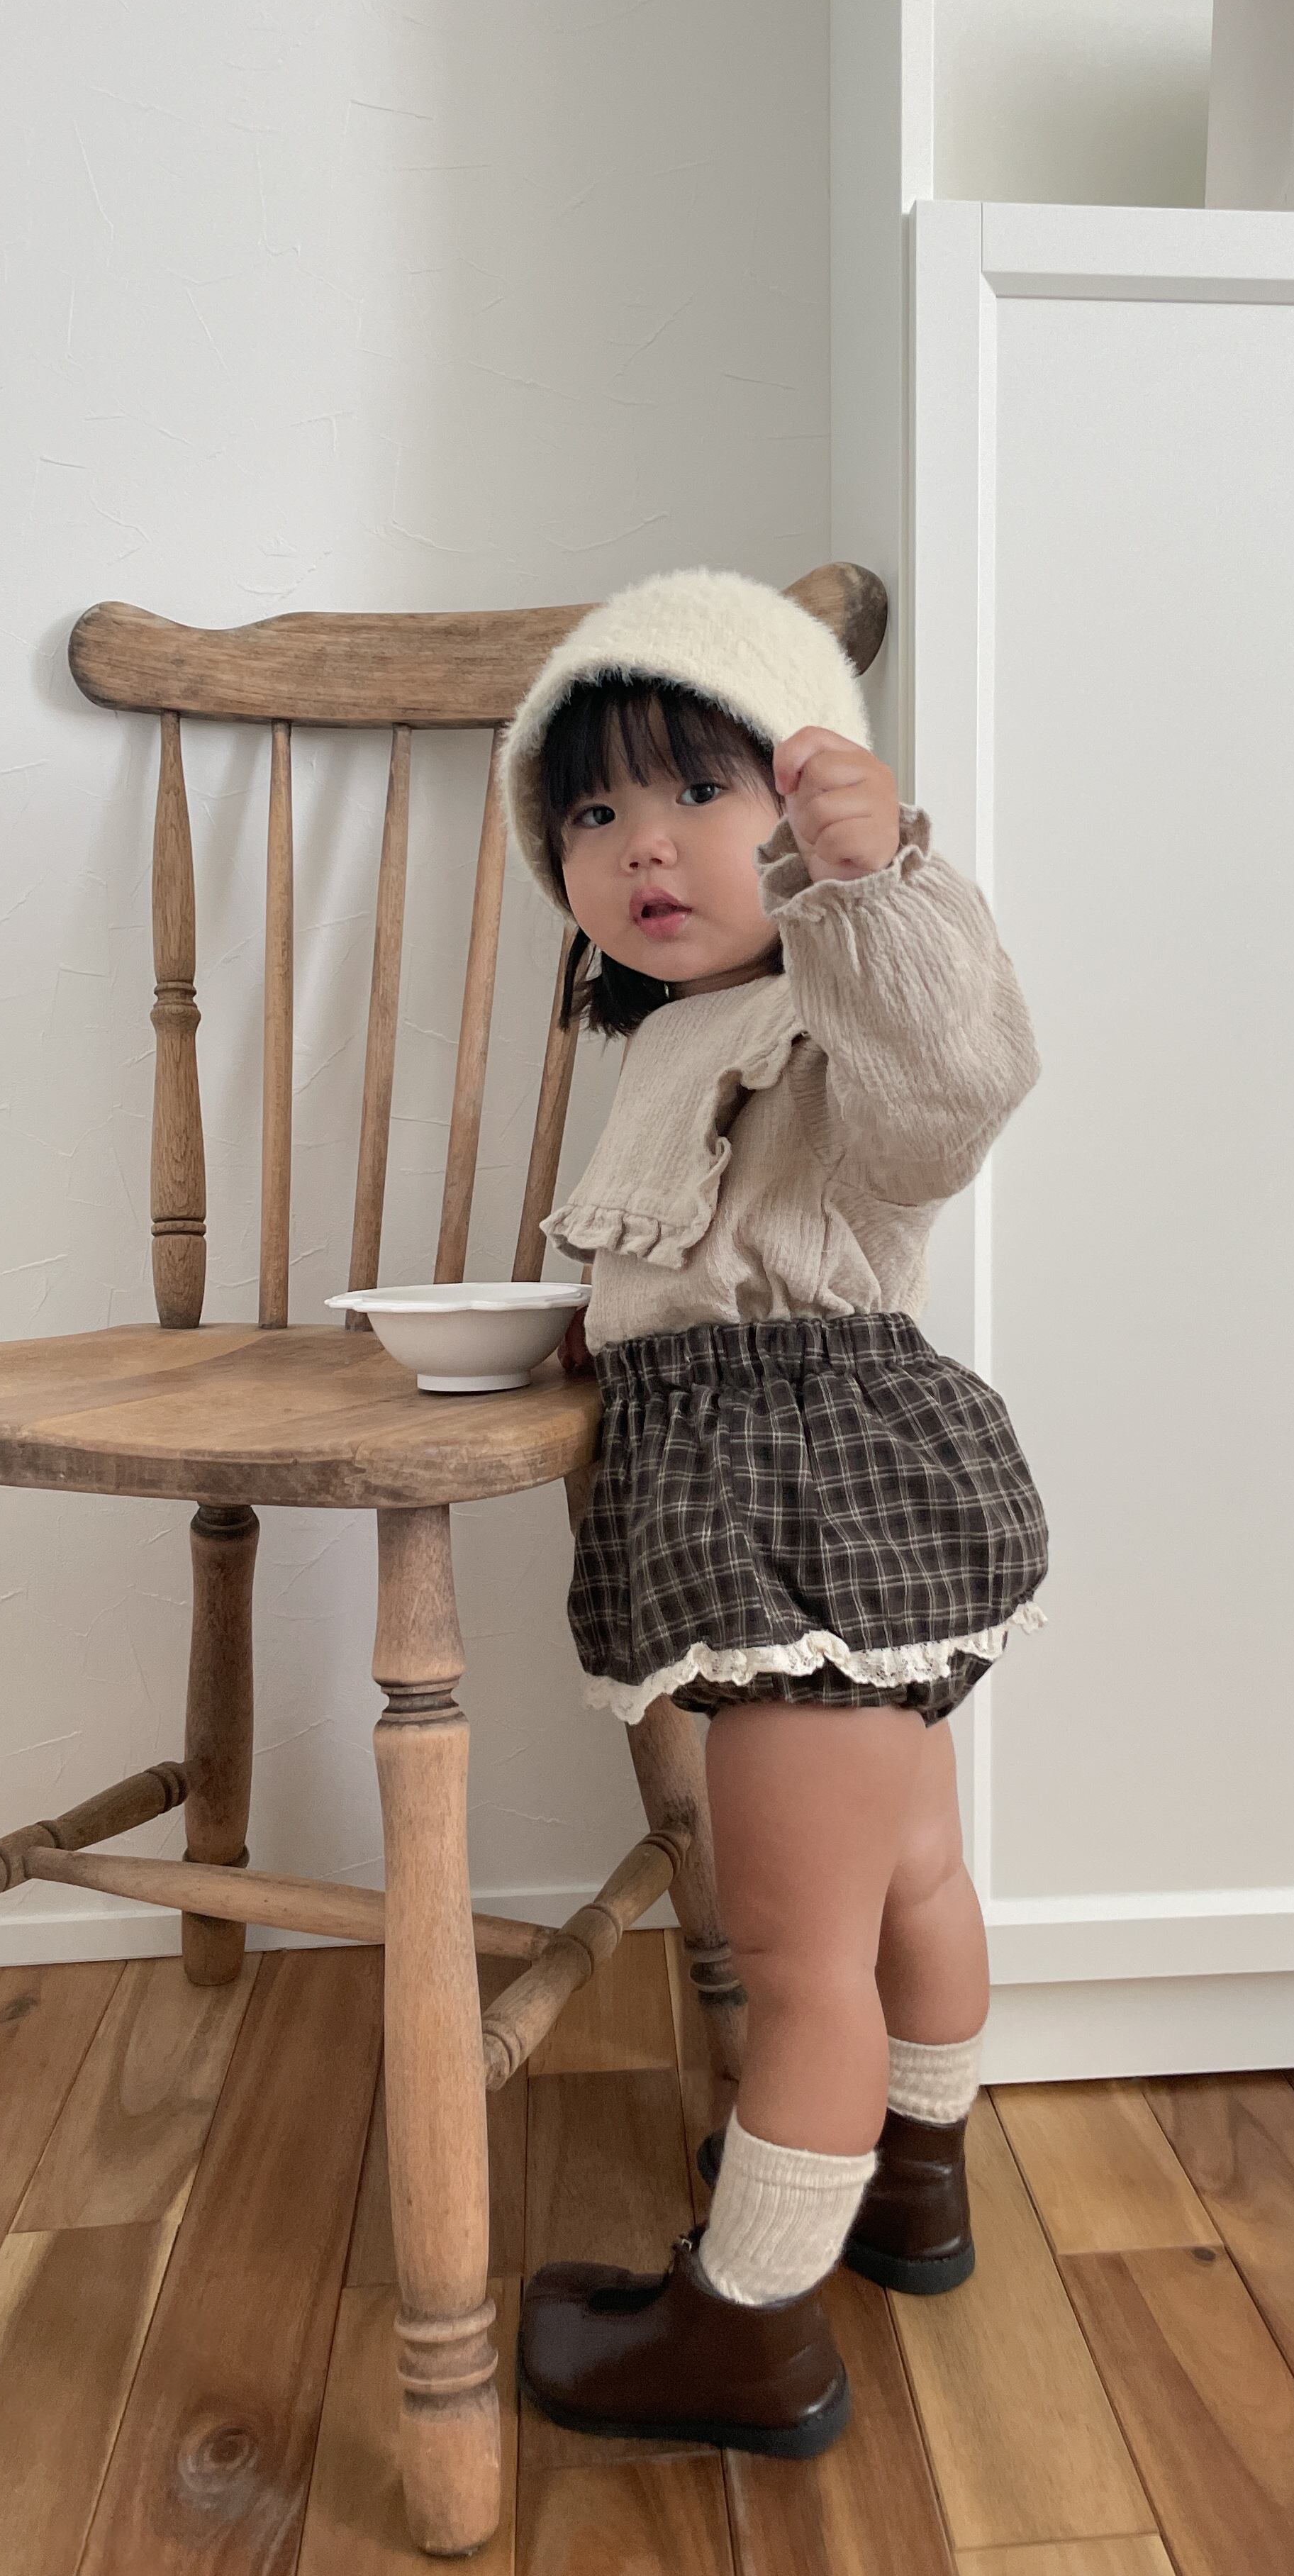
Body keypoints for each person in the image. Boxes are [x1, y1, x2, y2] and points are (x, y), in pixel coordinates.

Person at [501, 566, 1047, 2458]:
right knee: (909, 1882)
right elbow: (725, 1246)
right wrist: (603, 1322)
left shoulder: (844, 999)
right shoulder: (681, 1030)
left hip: (805, 1504)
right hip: (824, 1496)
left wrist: (877, 883)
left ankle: (746, 2334)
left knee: (803, 1955)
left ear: (797, 804)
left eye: (698, 789)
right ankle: (907, 2181)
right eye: (593, 811)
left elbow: (958, 1090)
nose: (643, 844)